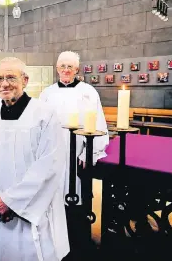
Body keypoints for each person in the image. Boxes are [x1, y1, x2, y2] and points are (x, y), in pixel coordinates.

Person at [0, 57, 69, 261]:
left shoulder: (44, 114)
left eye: (11, 77)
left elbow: (50, 163)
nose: (4, 83)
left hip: (33, 209)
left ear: (25, 80)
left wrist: (11, 201)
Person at [39, 51, 109, 260]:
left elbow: (97, 124)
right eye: (62, 66)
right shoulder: (47, 93)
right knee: (52, 199)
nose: (66, 70)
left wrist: (89, 153)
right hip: (53, 154)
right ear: (57, 68)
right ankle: (54, 242)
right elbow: (40, 124)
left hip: (77, 155)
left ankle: (78, 243)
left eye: (70, 66)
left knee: (77, 199)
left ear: (77, 70)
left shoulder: (88, 92)